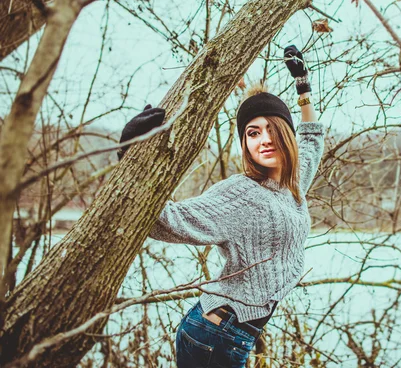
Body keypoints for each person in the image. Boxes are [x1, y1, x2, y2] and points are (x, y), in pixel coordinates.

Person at [118, 45, 325, 367]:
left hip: (231, 333)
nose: (264, 139)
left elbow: (312, 138)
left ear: (287, 134)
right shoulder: (243, 193)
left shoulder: (292, 185)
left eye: (272, 129)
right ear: (245, 144)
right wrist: (130, 156)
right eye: (252, 133)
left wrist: (304, 86)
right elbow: (167, 220)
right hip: (216, 336)